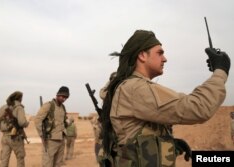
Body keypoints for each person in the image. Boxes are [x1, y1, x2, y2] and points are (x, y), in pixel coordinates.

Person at [101, 30, 231, 167]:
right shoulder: (134, 88)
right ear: (142, 55)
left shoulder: (131, 87)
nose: (165, 58)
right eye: (160, 53)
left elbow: (134, 138)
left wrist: (168, 144)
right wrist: (220, 71)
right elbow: (197, 107)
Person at [34, 86, 69, 167]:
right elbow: (38, 120)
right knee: (47, 164)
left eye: (66, 97)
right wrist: (42, 136)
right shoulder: (48, 105)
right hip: (50, 141)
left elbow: (63, 122)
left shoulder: (63, 107)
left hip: (61, 139)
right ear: (57, 95)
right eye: (62, 96)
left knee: (58, 164)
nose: (64, 99)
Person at [0, 91, 29, 167]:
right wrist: (27, 123)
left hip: (5, 137)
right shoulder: (19, 107)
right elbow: (22, 123)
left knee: (4, 160)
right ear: (20, 98)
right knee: (20, 158)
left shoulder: (3, 107)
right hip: (16, 138)